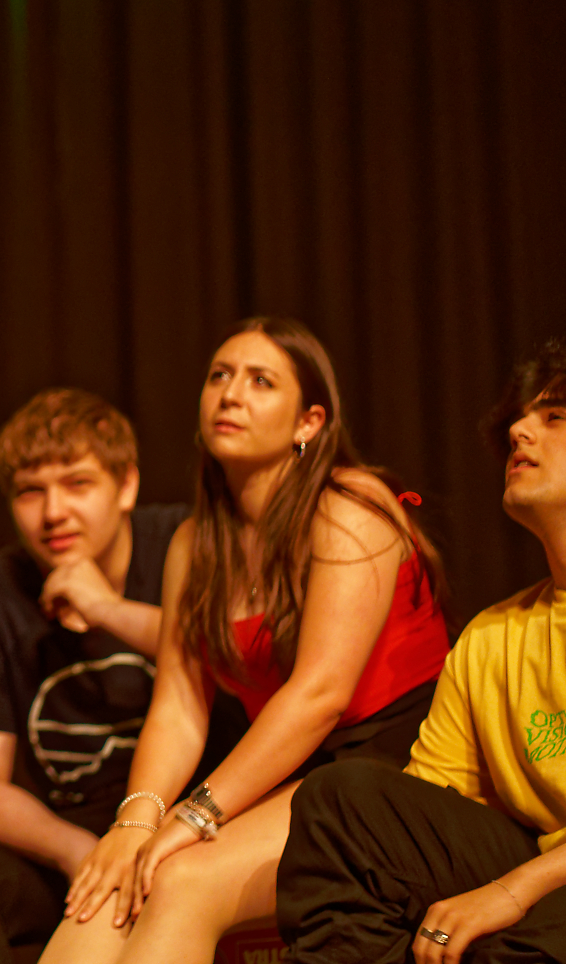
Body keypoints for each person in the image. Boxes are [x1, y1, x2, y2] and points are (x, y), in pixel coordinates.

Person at [43, 318, 449, 964]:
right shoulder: (194, 543)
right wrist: (134, 822)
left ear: (308, 422)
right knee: (116, 880)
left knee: (180, 877)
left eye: (261, 381)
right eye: (219, 377)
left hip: (396, 765)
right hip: (291, 770)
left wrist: (193, 815)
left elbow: (320, 694)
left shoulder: (350, 507)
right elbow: (178, 707)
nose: (230, 394)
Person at [277, 338, 566, 963]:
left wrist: (513, 891)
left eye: (555, 417)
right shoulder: (491, 636)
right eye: (522, 416)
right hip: (542, 865)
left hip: (546, 889)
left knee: (515, 946)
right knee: (342, 803)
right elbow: (426, 811)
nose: (518, 430)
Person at [0, 389, 193, 964]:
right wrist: (76, 850)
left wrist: (108, 610)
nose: (53, 513)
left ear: (126, 485)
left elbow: (228, 656)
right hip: (75, 835)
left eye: (78, 484)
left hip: (185, 817)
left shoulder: (184, 542)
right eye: (31, 492)